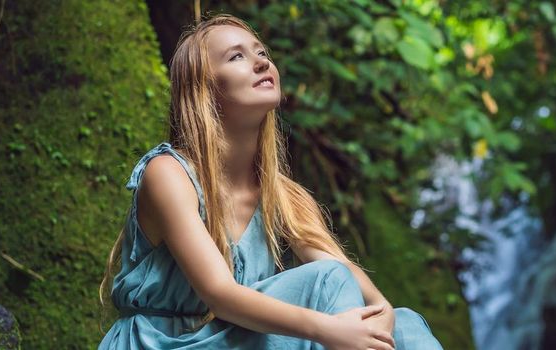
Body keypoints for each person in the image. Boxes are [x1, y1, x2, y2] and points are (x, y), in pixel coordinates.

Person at [97, 13, 445, 350]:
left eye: (261, 52)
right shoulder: (168, 175)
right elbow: (220, 294)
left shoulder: (282, 195)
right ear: (204, 90)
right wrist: (330, 330)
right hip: (164, 342)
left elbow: (358, 284)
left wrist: (382, 315)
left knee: (407, 324)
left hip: (230, 336)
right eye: (237, 56)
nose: (262, 62)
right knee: (327, 282)